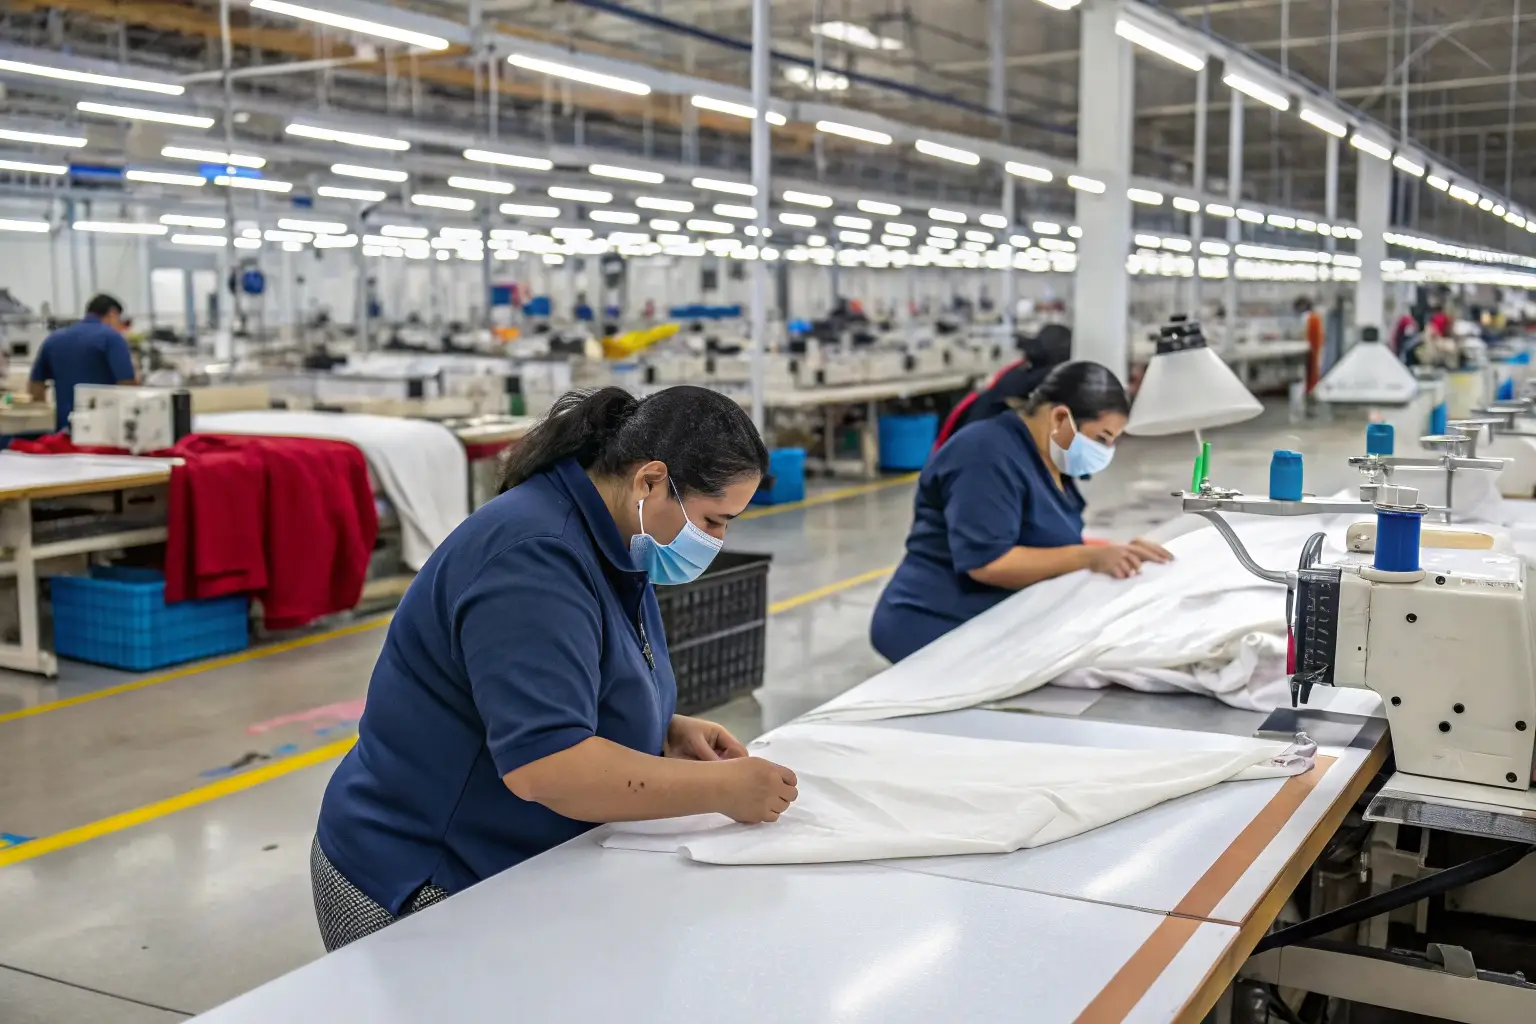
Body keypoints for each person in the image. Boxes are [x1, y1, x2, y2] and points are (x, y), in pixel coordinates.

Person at [312, 385, 798, 951]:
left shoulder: (618, 538)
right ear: (649, 481)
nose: (716, 541)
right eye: (713, 520)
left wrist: (662, 728)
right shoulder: (533, 558)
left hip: (509, 857)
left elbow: (570, 680)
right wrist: (721, 788)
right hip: (421, 876)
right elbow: (547, 766)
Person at [870, 361, 1173, 663]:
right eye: (1101, 439)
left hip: (997, 620)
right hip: (935, 623)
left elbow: (1045, 540)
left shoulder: (1050, 463)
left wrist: (1115, 552)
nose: (1104, 452)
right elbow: (989, 562)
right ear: (1060, 418)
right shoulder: (985, 454)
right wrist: (1089, 558)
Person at [28, 293, 138, 433]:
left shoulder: (53, 339)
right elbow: (127, 383)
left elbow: (35, 386)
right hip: (103, 429)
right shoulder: (112, 338)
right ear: (113, 313)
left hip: (64, 430)